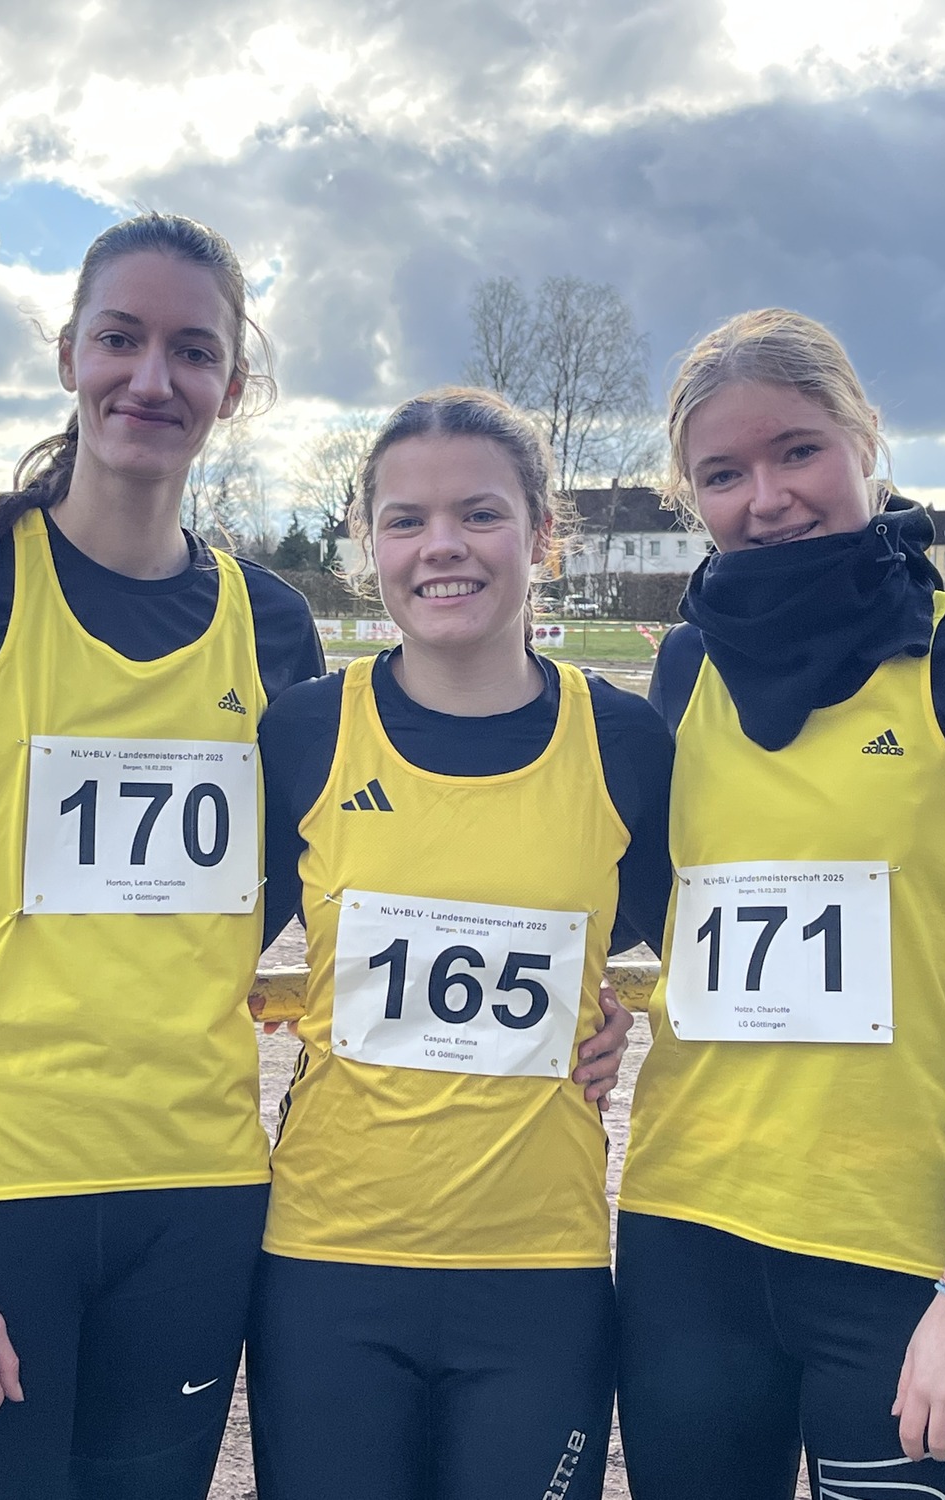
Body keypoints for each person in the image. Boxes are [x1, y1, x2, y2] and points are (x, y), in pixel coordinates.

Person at [0, 212, 328, 1499]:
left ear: (232, 387)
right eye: (119, 339)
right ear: (67, 355)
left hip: (197, 1197)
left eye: (192, 351)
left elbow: (307, 896)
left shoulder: (273, 629)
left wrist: (585, 1016)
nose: (152, 378)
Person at [614, 309, 945, 1500]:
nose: (765, 497)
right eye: (721, 474)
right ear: (690, 494)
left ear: (863, 440)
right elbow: (655, 917)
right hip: (685, 1242)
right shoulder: (685, 666)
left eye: (797, 451)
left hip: (897, 1260)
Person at [246, 388, 670, 1500]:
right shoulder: (304, 732)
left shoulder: (624, 742)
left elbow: (669, 943)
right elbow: (197, 946)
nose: (442, 546)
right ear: (367, 544)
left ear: (541, 536)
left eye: (480, 514)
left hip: (540, 1272)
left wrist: (603, 1015)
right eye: (406, 519)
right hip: (327, 1263)